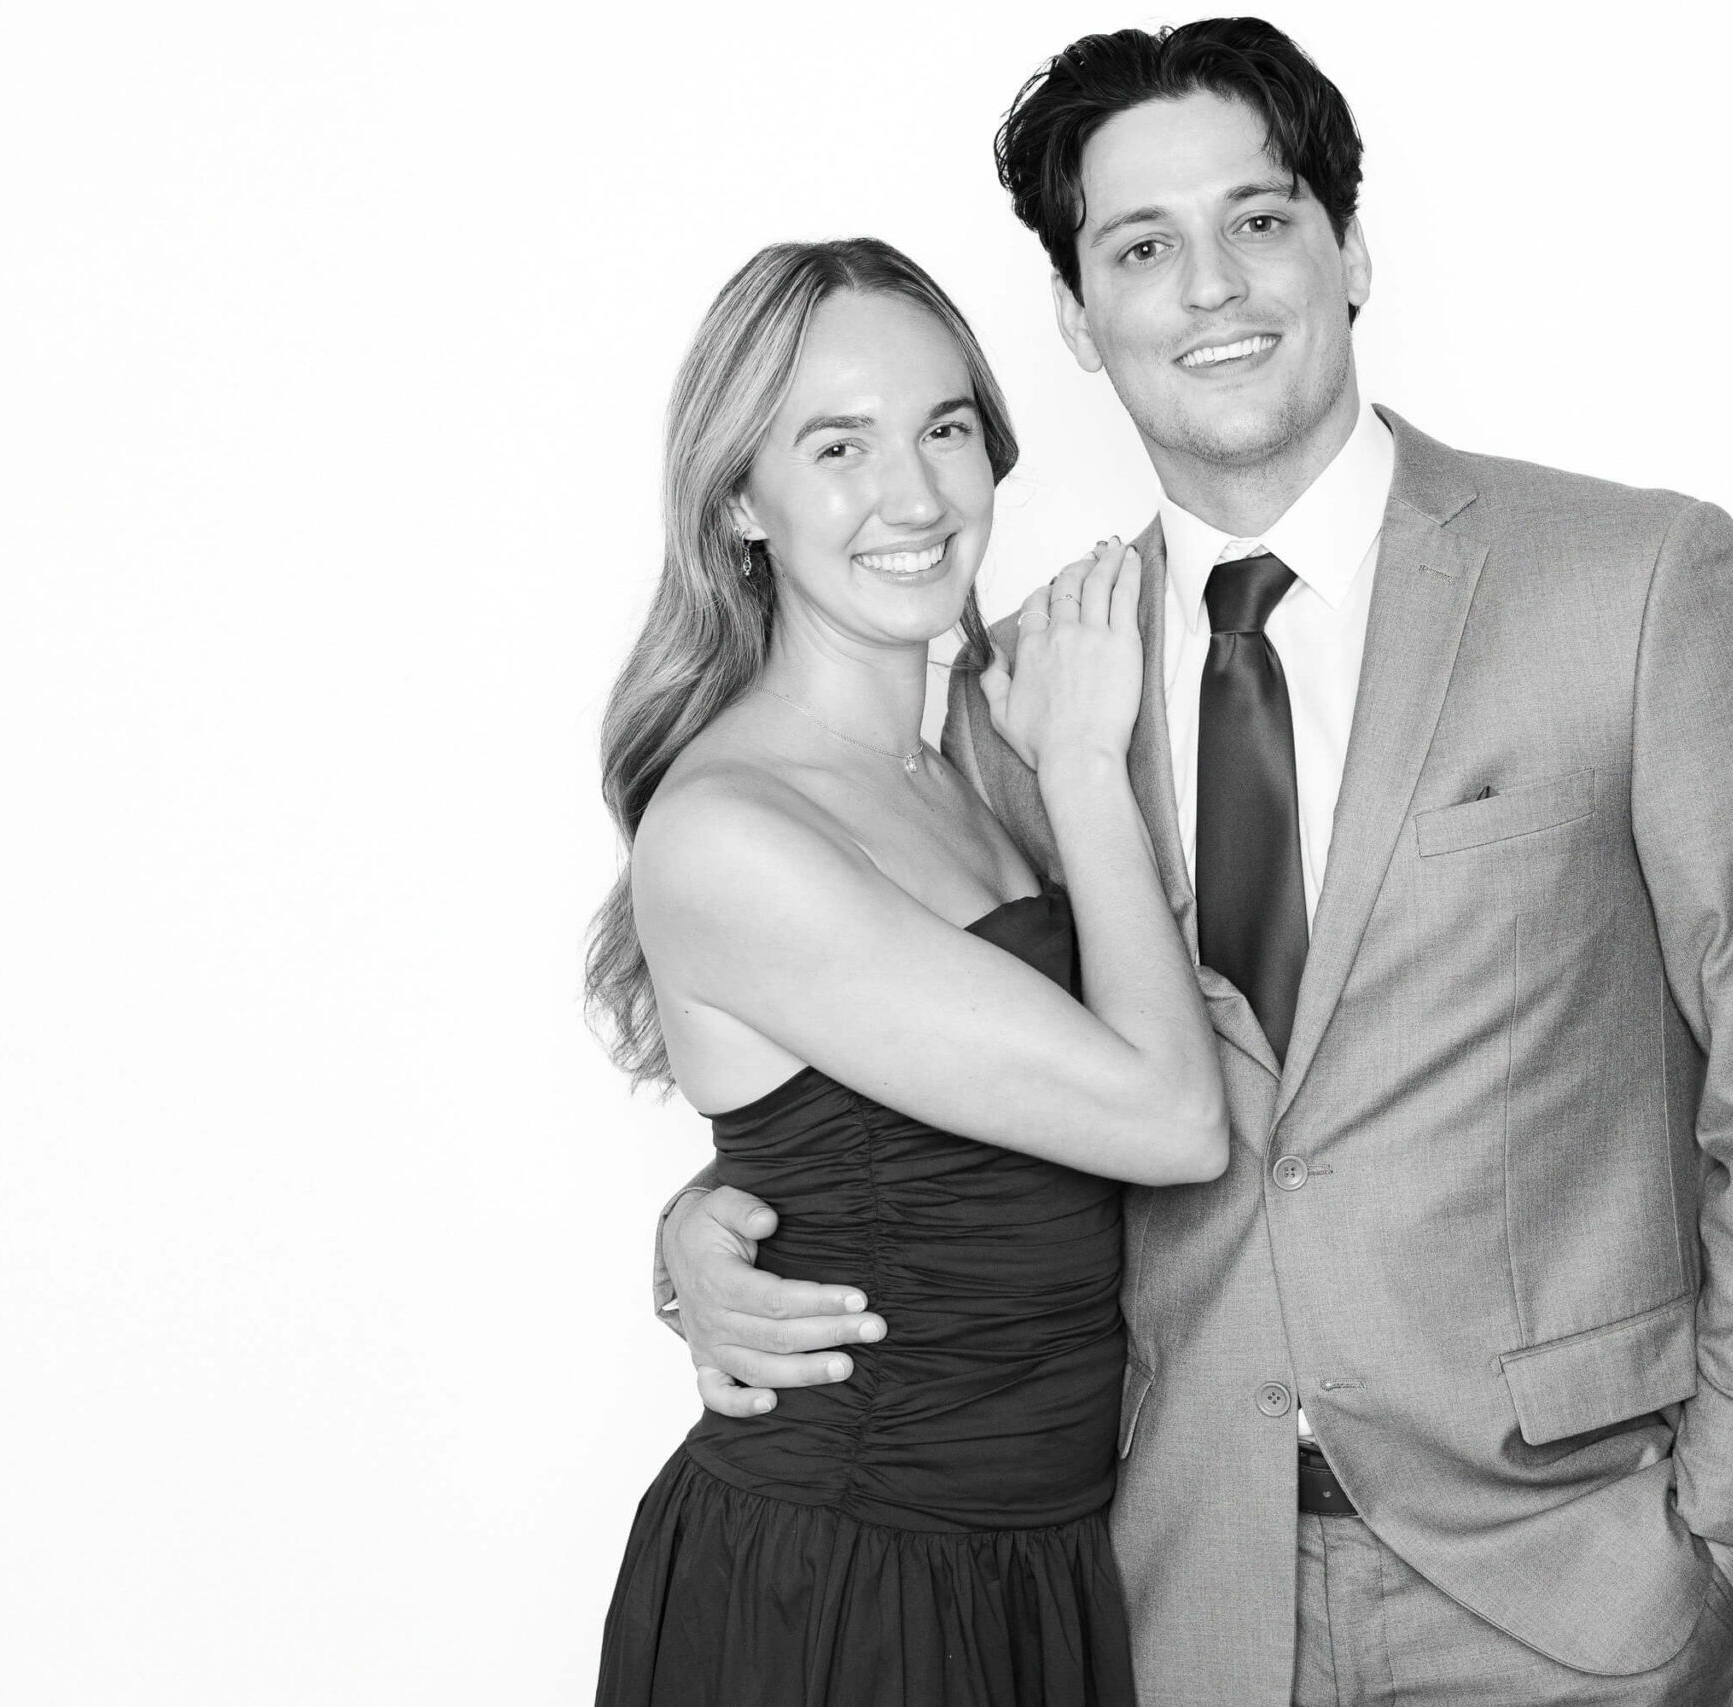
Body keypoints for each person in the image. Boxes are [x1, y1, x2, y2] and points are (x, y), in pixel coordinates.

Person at [661, 21, 1733, 1706]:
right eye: (1141, 248)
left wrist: (1732, 1521)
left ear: (1350, 249)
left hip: (1564, 1598)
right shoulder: (1022, 699)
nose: (1210, 290)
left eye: (1259, 221)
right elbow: (927, 1093)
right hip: (1171, 1588)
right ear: (1079, 322)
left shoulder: (1635, 587)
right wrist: (708, 1234)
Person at [587, 236, 1227, 1706]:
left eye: (945, 428)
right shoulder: (733, 832)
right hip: (851, 1598)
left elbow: (905, 1151)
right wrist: (1080, 763)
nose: (916, 495)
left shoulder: (965, 759)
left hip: (1040, 1569)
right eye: (837, 444)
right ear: (740, 502)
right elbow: (1168, 1122)